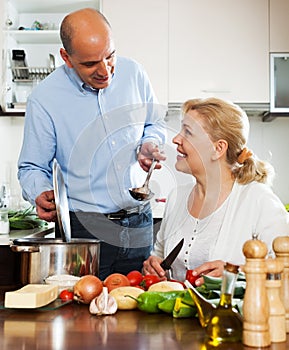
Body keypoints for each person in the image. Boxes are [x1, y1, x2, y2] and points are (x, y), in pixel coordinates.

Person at [17, 8, 166, 280]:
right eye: (90, 64)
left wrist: (150, 142)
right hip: (84, 232)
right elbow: (31, 167)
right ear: (67, 57)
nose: (105, 70)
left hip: (139, 222)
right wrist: (39, 191)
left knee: (140, 308)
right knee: (83, 313)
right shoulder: (45, 99)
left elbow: (154, 124)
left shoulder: (134, 73)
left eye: (110, 56)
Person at [143, 97, 289, 285]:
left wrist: (237, 272)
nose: (176, 139)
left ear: (218, 148)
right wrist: (152, 266)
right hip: (177, 313)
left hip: (236, 314)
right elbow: (159, 257)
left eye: (187, 132)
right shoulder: (176, 197)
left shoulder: (258, 199)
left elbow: (284, 268)